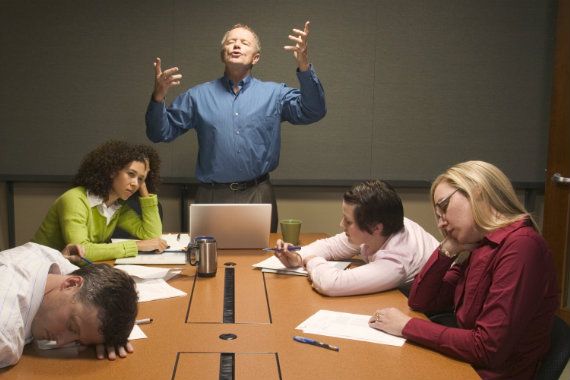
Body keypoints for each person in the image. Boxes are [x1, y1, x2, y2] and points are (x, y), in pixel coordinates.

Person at [368, 161, 559, 379]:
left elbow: (487, 348)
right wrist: (447, 249)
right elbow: (421, 301)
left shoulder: (521, 246)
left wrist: (406, 326)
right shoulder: (479, 245)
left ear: (477, 192)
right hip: (462, 364)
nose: (441, 223)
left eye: (443, 207)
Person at [145, 21, 327, 232]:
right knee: (207, 261)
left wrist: (304, 66)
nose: (236, 45)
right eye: (231, 42)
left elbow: (314, 110)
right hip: (211, 195)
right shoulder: (197, 96)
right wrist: (158, 96)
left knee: (258, 260)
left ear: (255, 57)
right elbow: (159, 133)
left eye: (244, 43)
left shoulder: (274, 94)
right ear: (223, 54)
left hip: (258, 193)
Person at [273, 180, 439, 296]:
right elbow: (331, 246)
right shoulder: (383, 225)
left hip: (432, 312)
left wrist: (310, 261)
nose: (341, 224)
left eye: (348, 221)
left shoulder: (397, 260)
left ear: (376, 228)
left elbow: (331, 285)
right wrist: (296, 257)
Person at [0, 242, 138, 368]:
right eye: (71, 327)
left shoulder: (54, 260)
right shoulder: (5, 333)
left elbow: (113, 297)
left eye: (78, 341)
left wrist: (103, 334)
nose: (61, 342)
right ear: (70, 284)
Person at [32, 140, 167, 261]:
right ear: (111, 171)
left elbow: (152, 236)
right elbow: (81, 251)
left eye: (140, 179)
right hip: (38, 270)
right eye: (131, 174)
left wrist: (143, 186)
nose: (134, 184)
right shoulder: (75, 199)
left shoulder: (117, 205)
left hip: (66, 272)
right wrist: (136, 246)